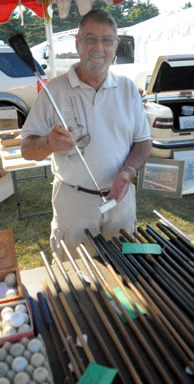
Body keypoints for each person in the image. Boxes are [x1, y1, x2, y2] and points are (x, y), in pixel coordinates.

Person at [21, 9, 152, 260]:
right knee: (78, 277)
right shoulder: (54, 91)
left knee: (125, 267)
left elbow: (143, 141)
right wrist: (48, 142)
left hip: (121, 200)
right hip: (74, 204)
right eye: (90, 38)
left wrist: (128, 172)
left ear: (116, 45)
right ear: (78, 43)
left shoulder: (127, 89)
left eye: (107, 40)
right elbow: (27, 149)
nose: (98, 47)